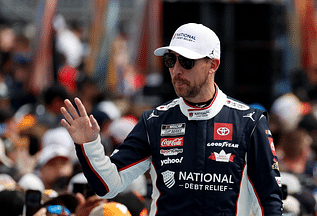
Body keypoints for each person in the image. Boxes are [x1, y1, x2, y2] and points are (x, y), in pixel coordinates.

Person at [60, 23, 283, 215]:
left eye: (186, 61)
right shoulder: (155, 121)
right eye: (170, 60)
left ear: (213, 65)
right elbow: (107, 185)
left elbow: (269, 200)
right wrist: (88, 144)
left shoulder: (248, 122)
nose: (176, 70)